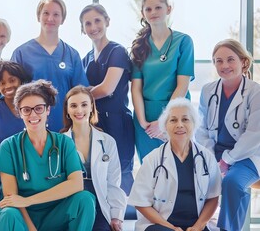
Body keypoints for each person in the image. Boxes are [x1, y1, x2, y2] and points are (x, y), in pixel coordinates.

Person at [0, 80, 95, 231]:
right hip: (23, 216)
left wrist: (28, 200)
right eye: (26, 109)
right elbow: (12, 199)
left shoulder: (64, 143)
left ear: (48, 110)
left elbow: (76, 184)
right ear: (19, 112)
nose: (33, 114)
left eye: (39, 108)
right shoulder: (8, 147)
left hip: (56, 213)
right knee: (8, 213)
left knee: (85, 199)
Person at [196, 39, 260, 231]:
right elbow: (201, 129)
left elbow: (255, 134)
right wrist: (209, 156)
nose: (225, 66)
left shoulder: (255, 91)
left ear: (243, 62)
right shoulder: (208, 90)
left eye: (230, 60)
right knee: (193, 178)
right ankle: (197, 227)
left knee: (232, 182)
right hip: (214, 152)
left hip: (248, 155)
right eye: (219, 61)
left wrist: (227, 160)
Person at [128, 98, 221, 231]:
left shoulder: (207, 157)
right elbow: (140, 202)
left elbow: (213, 197)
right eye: (173, 120)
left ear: (194, 124)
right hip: (161, 224)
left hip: (197, 224)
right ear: (165, 126)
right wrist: (171, 227)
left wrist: (197, 227)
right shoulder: (152, 159)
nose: (179, 125)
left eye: (185, 119)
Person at [130, 0, 194, 162]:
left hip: (176, 114)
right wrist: (143, 122)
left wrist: (164, 121)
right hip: (145, 116)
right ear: (143, 13)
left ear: (169, 9)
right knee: (150, 169)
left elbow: (182, 85)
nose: (153, 12)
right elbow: (135, 88)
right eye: (148, 9)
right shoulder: (139, 47)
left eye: (158, 7)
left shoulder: (183, 41)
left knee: (178, 165)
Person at [79, 3, 135, 195]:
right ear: (83, 28)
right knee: (99, 170)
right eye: (87, 23)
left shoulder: (117, 51)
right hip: (95, 122)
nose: (93, 27)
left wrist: (84, 96)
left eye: (97, 21)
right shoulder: (86, 58)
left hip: (117, 121)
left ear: (107, 22)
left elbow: (107, 88)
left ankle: (128, 218)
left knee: (122, 171)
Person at [11, 0, 89, 132]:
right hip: (32, 126)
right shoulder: (22, 53)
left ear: (62, 19)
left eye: (56, 14)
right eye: (46, 13)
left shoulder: (72, 54)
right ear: (38, 16)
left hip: (65, 127)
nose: (50, 18)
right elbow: (11, 93)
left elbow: (81, 93)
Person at [61, 86, 127, 231]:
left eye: (84, 104)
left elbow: (113, 183)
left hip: (99, 204)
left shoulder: (107, 142)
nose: (79, 110)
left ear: (92, 107)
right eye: (73, 106)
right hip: (70, 206)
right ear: (67, 110)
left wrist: (116, 215)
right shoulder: (59, 143)